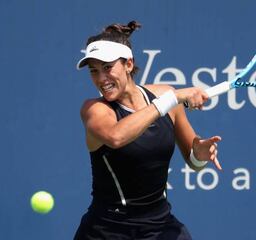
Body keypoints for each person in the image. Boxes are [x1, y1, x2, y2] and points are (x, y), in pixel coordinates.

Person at [74, 20, 222, 240]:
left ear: (128, 64)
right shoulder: (94, 109)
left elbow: (193, 160)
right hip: (108, 231)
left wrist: (199, 154)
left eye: (107, 68)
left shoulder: (165, 96)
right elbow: (116, 137)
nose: (101, 79)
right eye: (94, 71)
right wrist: (172, 99)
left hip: (160, 226)